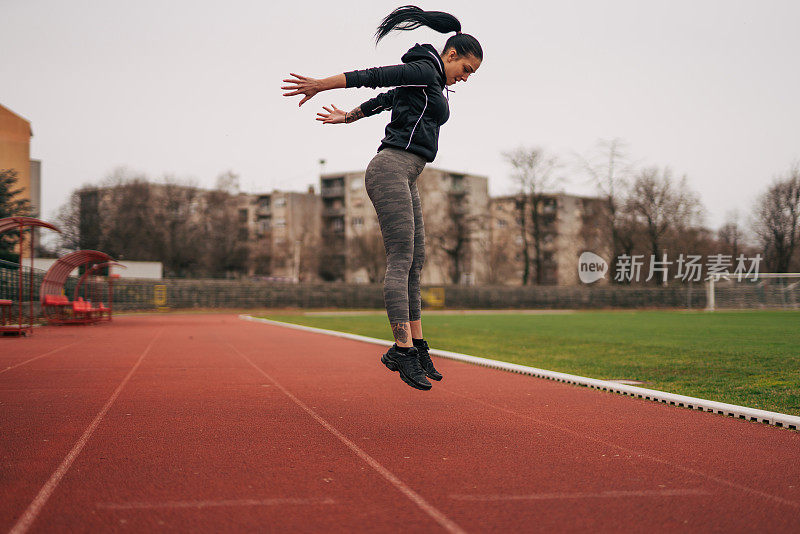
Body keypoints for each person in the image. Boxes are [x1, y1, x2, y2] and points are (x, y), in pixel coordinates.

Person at [282, 6, 482, 390]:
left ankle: (418, 344)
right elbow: (376, 78)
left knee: (415, 261)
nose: (467, 78)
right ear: (451, 54)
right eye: (467, 69)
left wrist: (349, 117)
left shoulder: (433, 83)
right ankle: (401, 349)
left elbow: (389, 98)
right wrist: (322, 84)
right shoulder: (426, 70)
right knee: (401, 258)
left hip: (407, 171)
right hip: (390, 168)